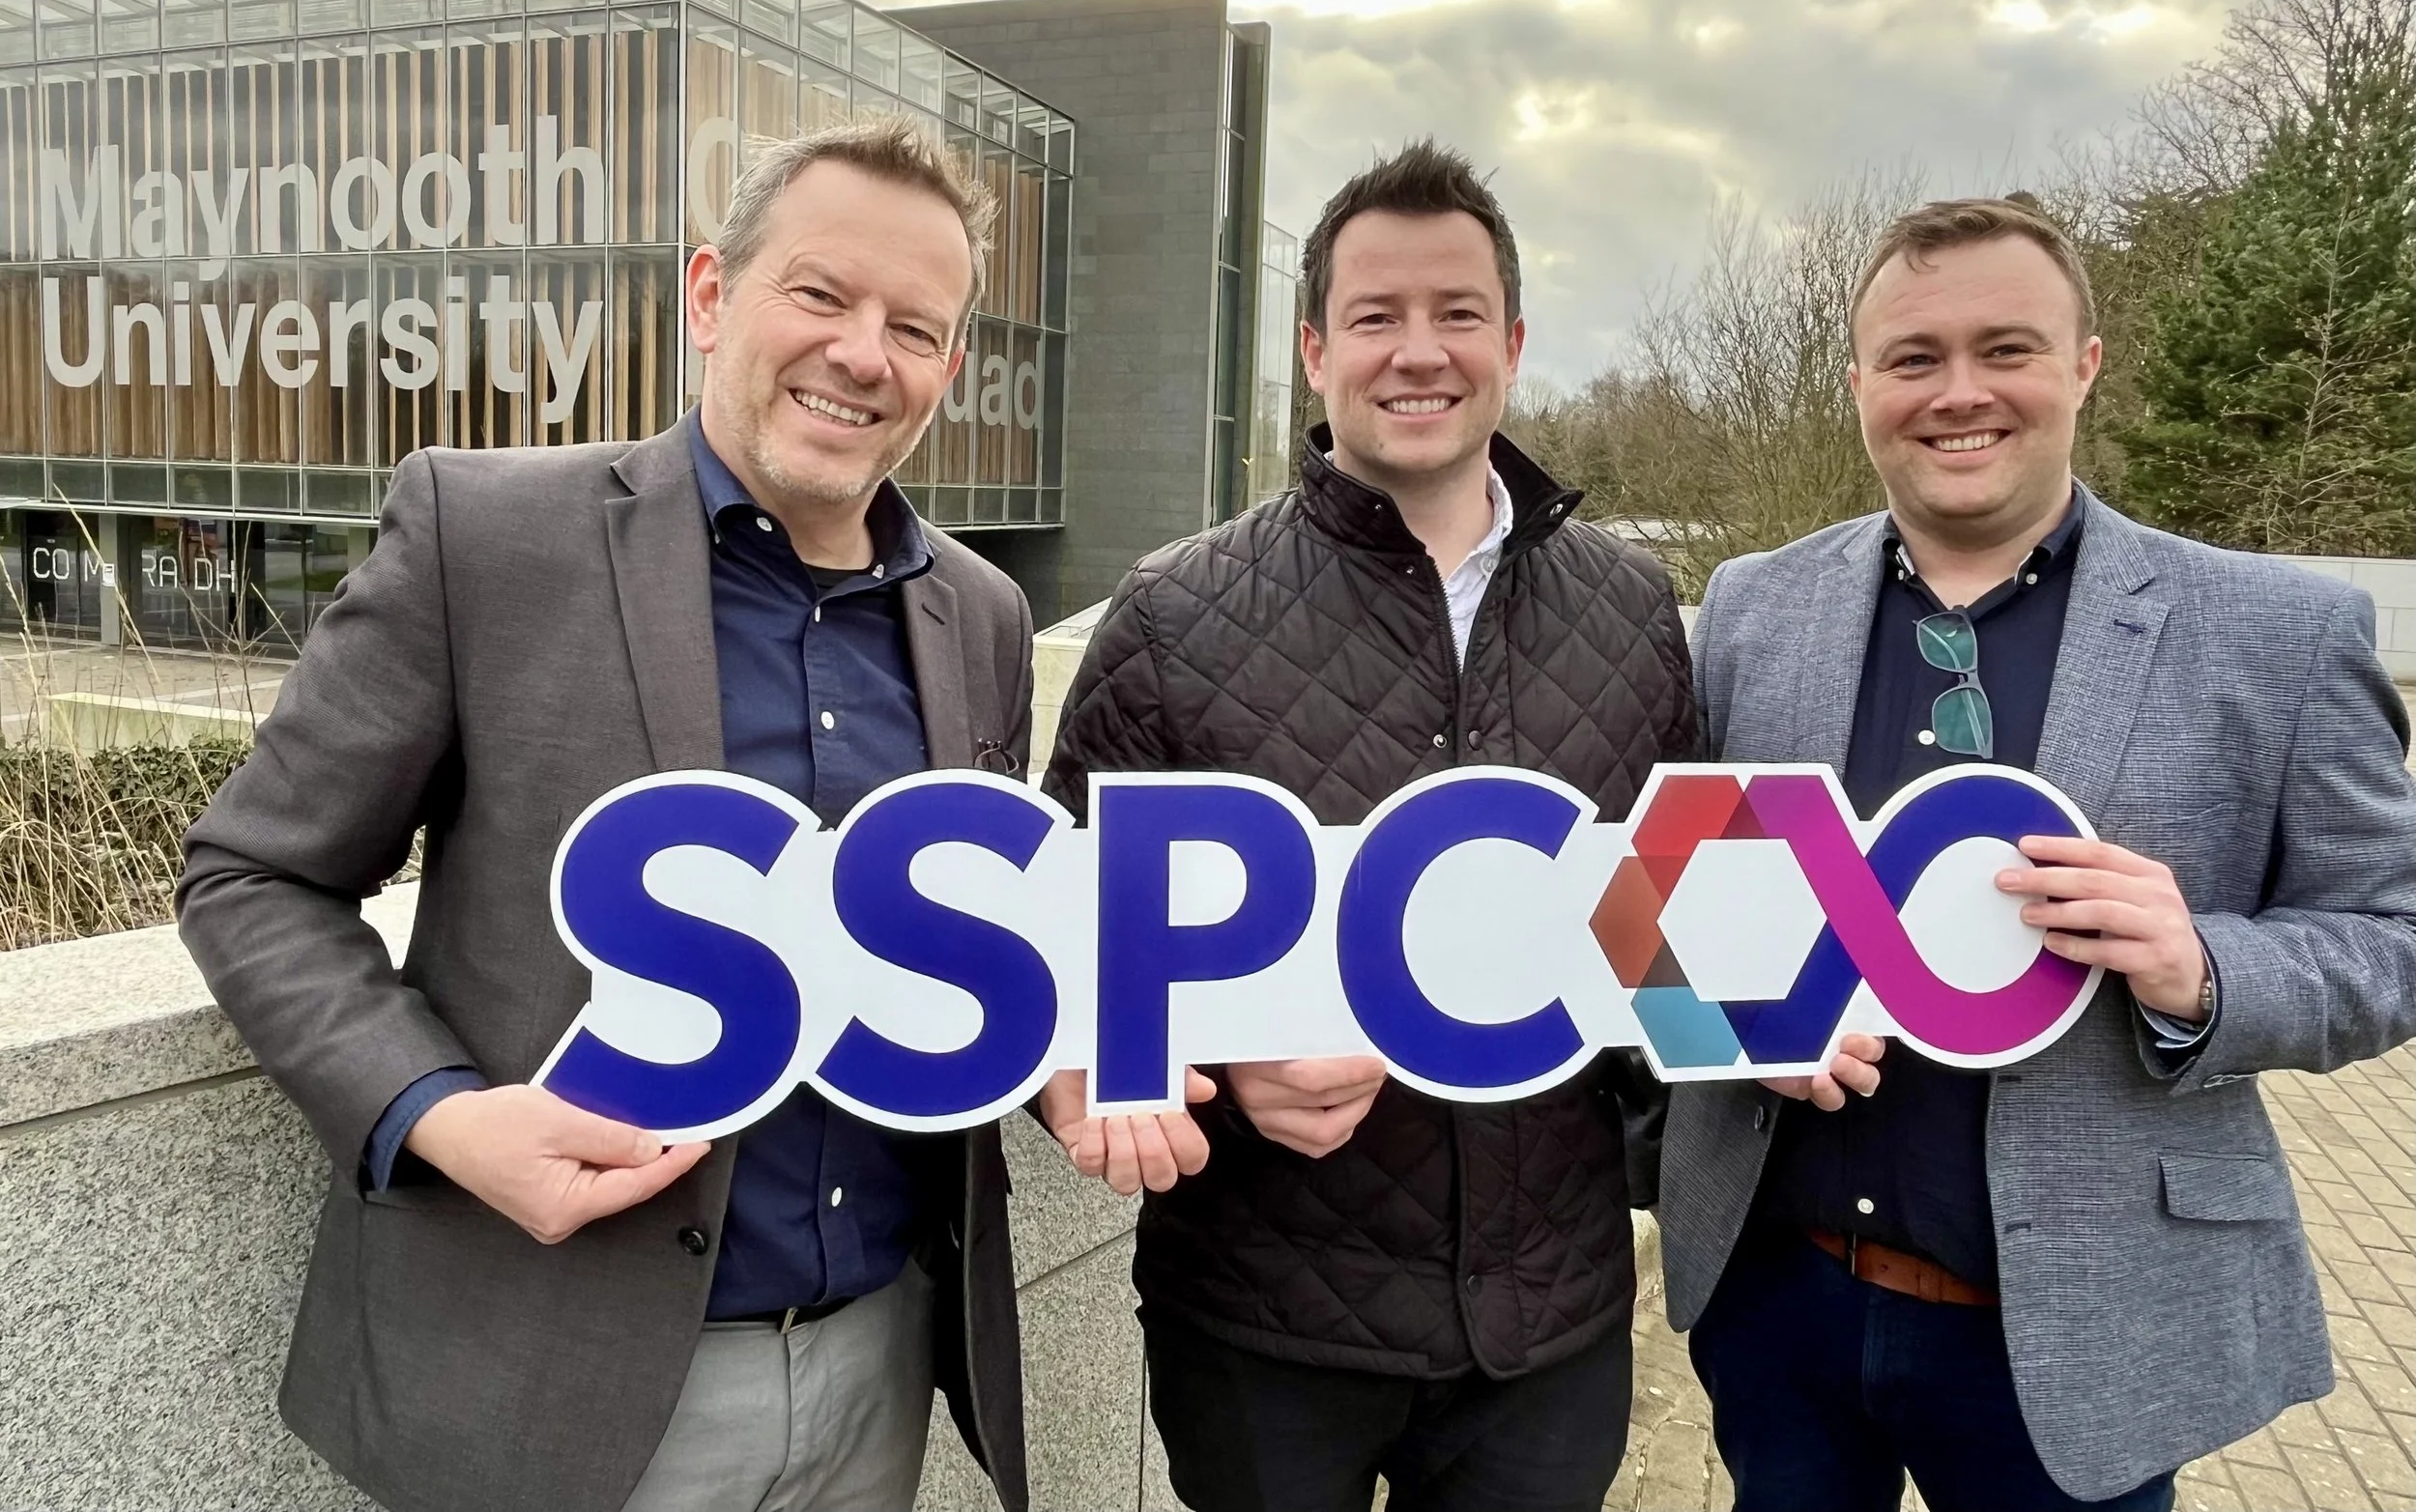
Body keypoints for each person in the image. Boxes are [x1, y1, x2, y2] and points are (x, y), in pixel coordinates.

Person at [177, 118, 1034, 1512]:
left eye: (916, 327)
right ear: (711, 296)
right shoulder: (486, 533)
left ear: (947, 365)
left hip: (883, 1358)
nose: (864, 353)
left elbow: (974, 958)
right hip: (557, 1373)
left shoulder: (981, 616)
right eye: (819, 294)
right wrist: (441, 1116)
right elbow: (254, 875)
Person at [1658, 195, 2416, 1511]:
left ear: (2084, 364)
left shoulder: (2277, 634)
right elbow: (1674, 899)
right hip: (1777, 1292)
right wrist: (1729, 1017)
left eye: (2006, 348)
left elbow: (2393, 938)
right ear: (1859, 386)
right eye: (1914, 357)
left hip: (2080, 1325)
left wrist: (2208, 969)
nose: (1960, 393)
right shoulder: (1751, 610)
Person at [1038, 140, 1697, 1512]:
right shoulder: (1169, 614)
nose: (1419, 351)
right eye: (1377, 316)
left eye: (1457, 313)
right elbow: (1056, 956)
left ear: (1511, 342)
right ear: (1313, 346)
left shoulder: (1635, 613)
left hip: (1546, 1328)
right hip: (1264, 1330)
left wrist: (1789, 1015)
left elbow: (1661, 939)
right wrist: (1206, 1054)